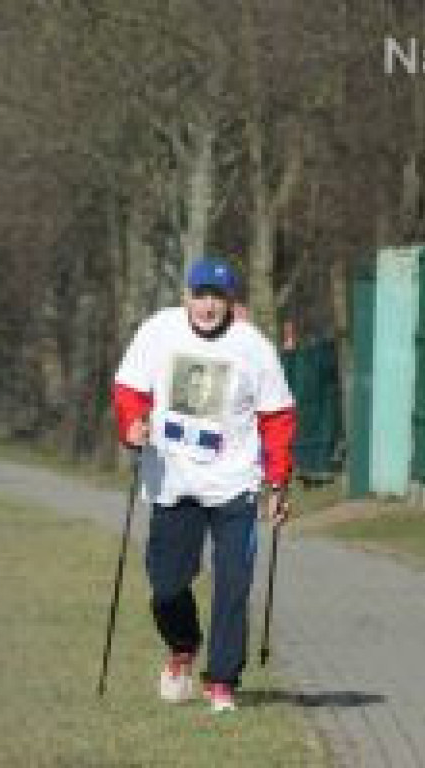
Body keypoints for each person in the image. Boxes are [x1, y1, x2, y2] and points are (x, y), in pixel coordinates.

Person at [112, 255, 296, 713]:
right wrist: (132, 424)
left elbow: (277, 417)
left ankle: (221, 683)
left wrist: (277, 482)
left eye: (217, 297)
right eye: (200, 295)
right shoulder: (158, 331)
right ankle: (183, 647)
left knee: (233, 583)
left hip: (235, 481)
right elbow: (128, 389)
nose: (208, 306)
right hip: (173, 480)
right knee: (167, 586)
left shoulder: (252, 346)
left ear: (230, 301)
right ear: (186, 297)